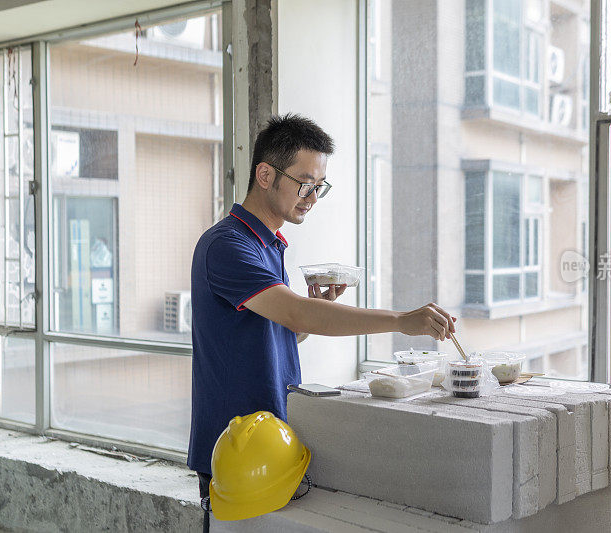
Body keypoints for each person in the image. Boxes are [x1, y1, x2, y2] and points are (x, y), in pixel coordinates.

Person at [187, 113, 456, 505]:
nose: (312, 199)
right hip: (234, 449)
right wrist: (401, 320)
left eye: (319, 187)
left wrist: (311, 313)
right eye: (305, 185)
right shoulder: (228, 245)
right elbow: (295, 313)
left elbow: (283, 330)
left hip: (268, 440)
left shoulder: (268, 244)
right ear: (265, 175)